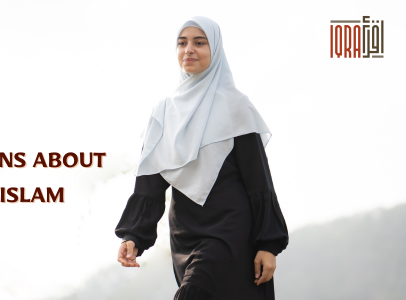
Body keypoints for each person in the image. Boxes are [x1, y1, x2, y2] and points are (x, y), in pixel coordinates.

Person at [114, 16, 289, 300]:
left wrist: (268, 243)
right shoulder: (163, 113)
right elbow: (150, 183)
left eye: (199, 42)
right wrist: (134, 235)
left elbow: (259, 181)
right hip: (185, 235)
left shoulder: (235, 105)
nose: (189, 50)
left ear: (215, 50)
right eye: (182, 43)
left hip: (230, 231)